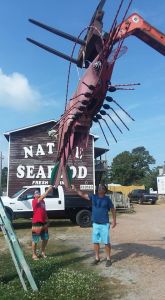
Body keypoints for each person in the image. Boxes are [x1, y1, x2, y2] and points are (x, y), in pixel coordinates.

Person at [71, 184, 116, 267]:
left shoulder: (107, 199)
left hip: (104, 224)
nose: (99, 188)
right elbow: (83, 195)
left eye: (102, 188)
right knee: (95, 242)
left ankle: (108, 259)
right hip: (95, 224)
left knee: (106, 242)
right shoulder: (93, 197)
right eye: (99, 187)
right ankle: (97, 258)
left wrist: (114, 221)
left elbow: (113, 209)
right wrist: (75, 189)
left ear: (104, 190)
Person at [32, 185, 53, 260]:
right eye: (36, 193)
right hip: (36, 222)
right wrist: (48, 190)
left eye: (38, 192)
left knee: (46, 238)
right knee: (35, 239)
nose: (38, 194)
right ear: (34, 195)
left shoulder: (42, 201)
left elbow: (44, 211)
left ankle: (42, 252)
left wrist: (47, 220)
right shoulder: (35, 201)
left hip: (44, 222)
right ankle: (34, 255)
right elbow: (42, 197)